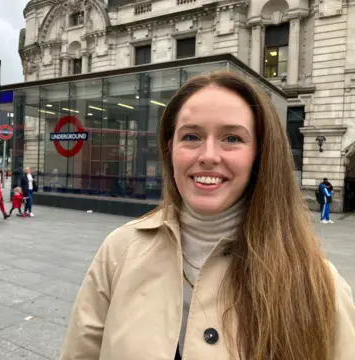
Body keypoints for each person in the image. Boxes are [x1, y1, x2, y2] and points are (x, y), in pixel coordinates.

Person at [60, 72, 355, 360]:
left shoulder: (319, 284)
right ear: (170, 148)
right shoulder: (118, 251)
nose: (209, 155)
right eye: (191, 136)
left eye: (232, 138)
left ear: (260, 154)